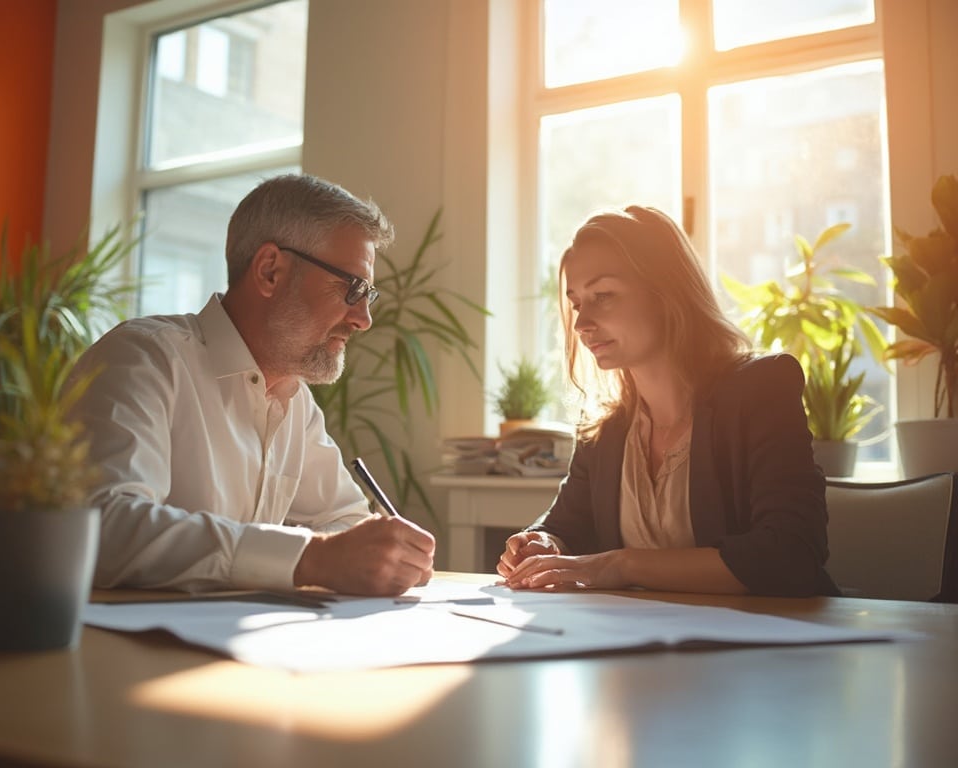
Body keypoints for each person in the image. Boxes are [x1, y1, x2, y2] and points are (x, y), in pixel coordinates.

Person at [68, 173, 435, 596]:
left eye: (368, 294)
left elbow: (346, 522)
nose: (363, 319)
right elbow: (104, 526)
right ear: (270, 270)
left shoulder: (294, 400)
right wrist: (310, 558)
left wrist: (387, 553)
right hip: (125, 655)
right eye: (352, 287)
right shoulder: (143, 360)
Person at [497, 206, 838, 597]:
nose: (581, 324)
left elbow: (790, 553)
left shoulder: (761, 389)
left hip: (775, 646)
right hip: (640, 648)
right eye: (577, 303)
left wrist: (619, 563)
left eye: (603, 296)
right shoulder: (606, 427)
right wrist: (542, 543)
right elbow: (565, 525)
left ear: (666, 293)